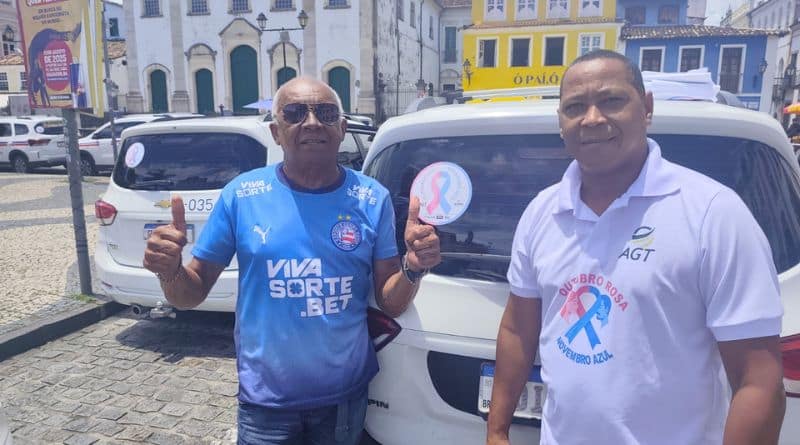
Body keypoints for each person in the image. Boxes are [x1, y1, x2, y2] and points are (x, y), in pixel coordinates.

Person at [487, 50, 785, 445]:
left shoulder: (712, 213)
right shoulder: (543, 212)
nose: (592, 118)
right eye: (575, 107)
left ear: (646, 108)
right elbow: (518, 329)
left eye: (611, 100)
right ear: (561, 122)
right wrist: (496, 432)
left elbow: (758, 381)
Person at [143, 76, 441, 445]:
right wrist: (169, 272)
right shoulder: (242, 195)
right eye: (296, 112)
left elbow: (391, 302)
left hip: (343, 398)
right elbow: (189, 295)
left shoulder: (371, 197)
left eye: (326, 112)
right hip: (267, 401)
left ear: (342, 128)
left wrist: (414, 265)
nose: (312, 122)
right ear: (276, 131)